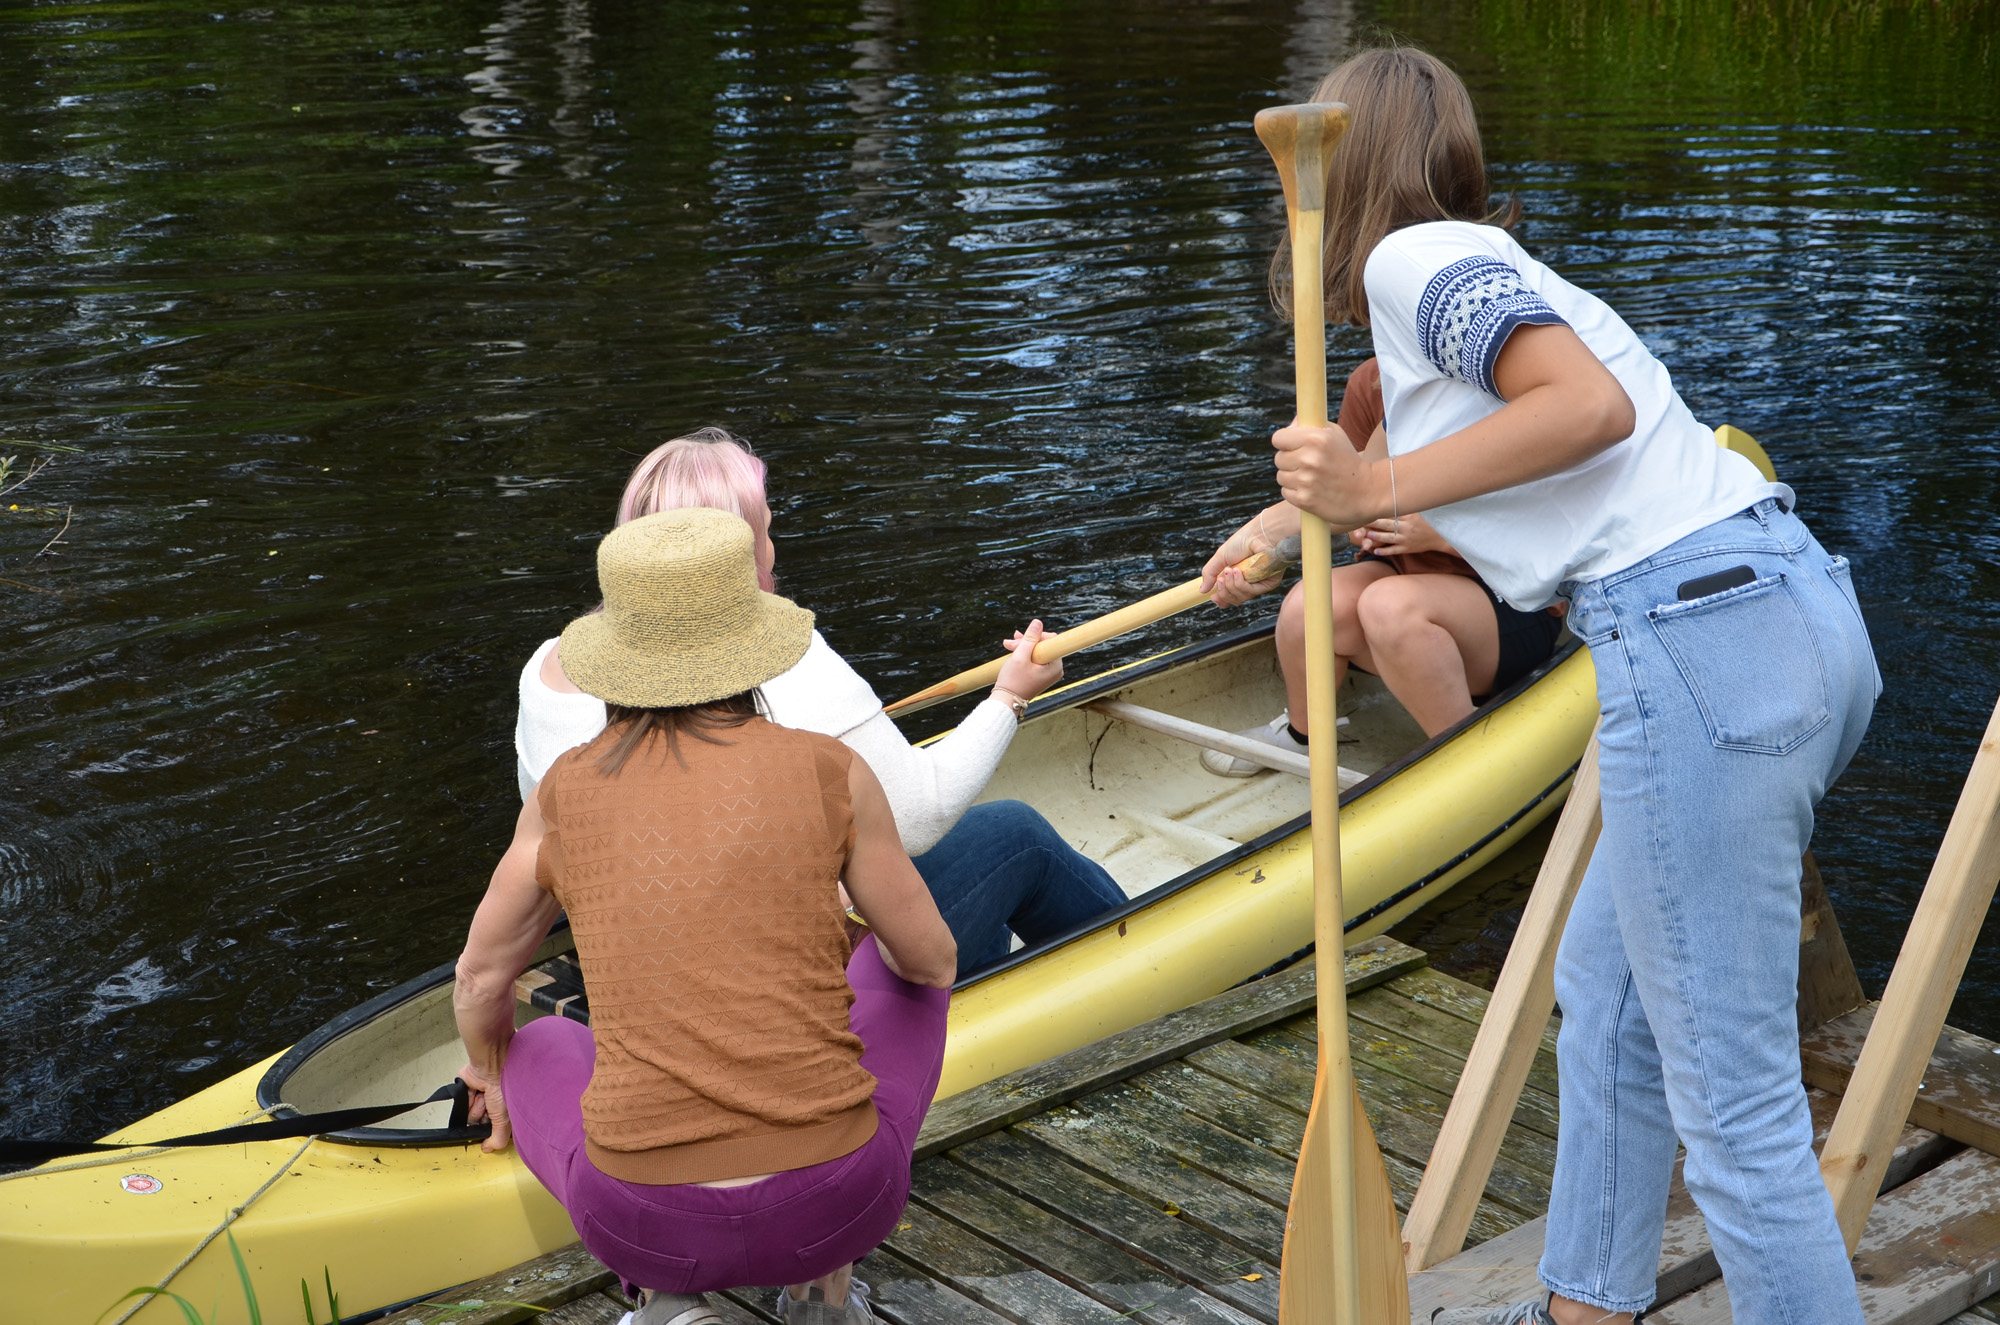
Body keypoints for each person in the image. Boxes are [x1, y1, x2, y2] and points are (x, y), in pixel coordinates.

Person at [1245, 48, 1878, 1325]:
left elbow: (1583, 408)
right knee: (1610, 993)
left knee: (1736, 1112)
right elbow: (1544, 436)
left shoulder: (1408, 260)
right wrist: (1281, 529)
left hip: (1695, 641)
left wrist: (1371, 488)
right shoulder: (1480, 268)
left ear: (1339, 170)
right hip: (1782, 604)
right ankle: (1583, 1306)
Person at [457, 508, 958, 1325]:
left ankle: (668, 1305)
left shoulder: (560, 795)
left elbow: (481, 979)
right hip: (834, 1200)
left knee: (539, 1040)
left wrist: (487, 1067)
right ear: (749, 645)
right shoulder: (831, 768)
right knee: (903, 974)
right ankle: (823, 1290)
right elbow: (932, 958)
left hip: (644, 1219)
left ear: (614, 655)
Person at [515, 428, 1126, 977]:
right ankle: (1143, 956)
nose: (772, 547)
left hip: (642, 953)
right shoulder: (788, 659)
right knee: (1015, 834)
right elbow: (921, 816)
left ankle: (988, 978)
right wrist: (1009, 697)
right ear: (737, 549)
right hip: (782, 967)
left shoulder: (546, 668)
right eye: (766, 529)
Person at [1200, 357, 1565, 770]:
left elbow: (1553, 536)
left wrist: (1438, 538)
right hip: (1401, 575)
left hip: (1510, 598)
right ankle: (1303, 735)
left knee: (1389, 607)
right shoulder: (1370, 381)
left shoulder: (1502, 383)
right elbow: (1348, 497)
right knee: (1309, 604)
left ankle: (1463, 759)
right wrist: (1359, 527)